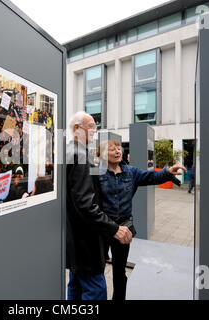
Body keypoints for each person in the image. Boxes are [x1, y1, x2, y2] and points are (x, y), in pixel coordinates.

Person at [95, 139, 186, 300]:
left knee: (119, 272)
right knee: (97, 268)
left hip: (124, 228)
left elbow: (152, 176)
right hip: (103, 228)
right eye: (112, 149)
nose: (118, 151)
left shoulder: (131, 172)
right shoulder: (97, 174)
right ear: (102, 155)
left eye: (118, 148)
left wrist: (167, 172)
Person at [66, 111, 132, 301]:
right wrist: (114, 228)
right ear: (77, 129)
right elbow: (86, 205)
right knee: (95, 291)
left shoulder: (70, 152)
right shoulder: (80, 156)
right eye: (91, 126)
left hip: (75, 241)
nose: (95, 131)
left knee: (75, 287)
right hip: (87, 243)